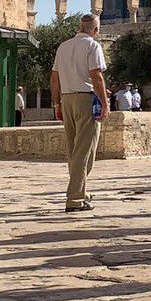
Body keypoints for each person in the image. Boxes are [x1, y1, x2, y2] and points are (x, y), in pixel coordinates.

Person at [50, 13, 109, 213]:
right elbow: (96, 76)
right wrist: (105, 101)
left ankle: (80, 190)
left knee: (74, 150)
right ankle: (75, 198)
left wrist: (56, 103)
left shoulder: (63, 47)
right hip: (86, 99)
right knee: (85, 150)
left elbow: (54, 79)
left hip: (67, 99)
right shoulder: (93, 46)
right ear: (95, 29)